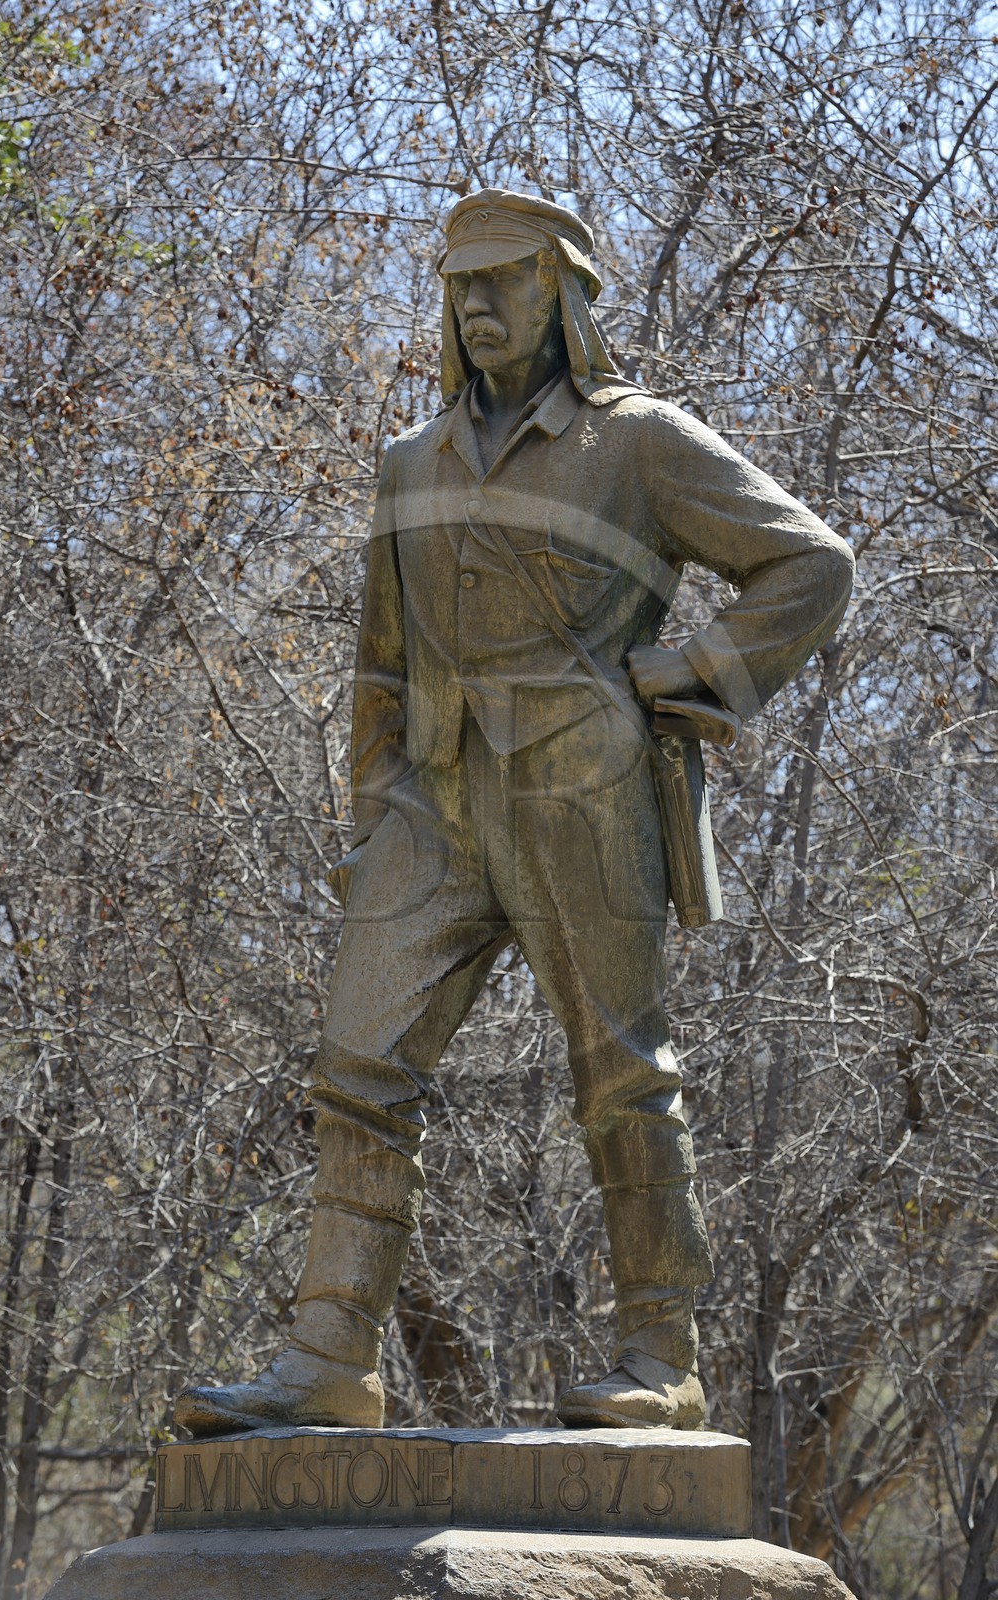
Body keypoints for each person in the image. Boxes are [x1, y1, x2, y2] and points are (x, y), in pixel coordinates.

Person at [176, 189, 853, 1437]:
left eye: (507, 281)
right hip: (430, 807)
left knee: (623, 1077)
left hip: (580, 794)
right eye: (461, 286)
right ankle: (330, 1355)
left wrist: (689, 672)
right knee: (357, 1066)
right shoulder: (409, 463)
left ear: (565, 293)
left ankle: (662, 1356)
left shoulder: (638, 443)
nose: (479, 306)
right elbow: (380, 665)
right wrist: (371, 809)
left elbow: (812, 562)